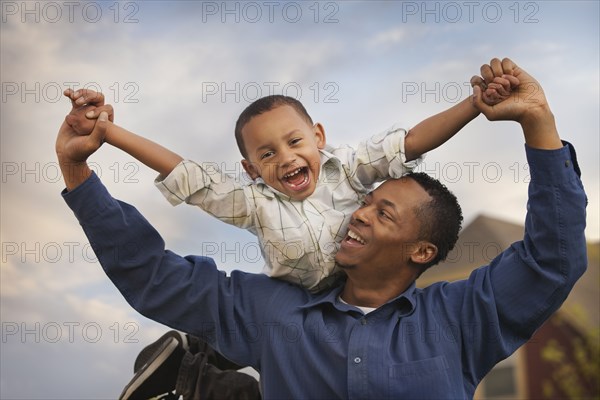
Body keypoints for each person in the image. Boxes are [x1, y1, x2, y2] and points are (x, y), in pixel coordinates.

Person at [57, 58, 587, 398]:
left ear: (422, 251)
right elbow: (154, 275)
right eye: (364, 201)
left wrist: (536, 120)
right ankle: (205, 378)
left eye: (383, 213)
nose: (357, 211)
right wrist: (79, 172)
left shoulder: (458, 320)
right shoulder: (272, 308)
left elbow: (551, 261)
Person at [63, 72, 513, 292]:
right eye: (266, 154)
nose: (286, 157)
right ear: (251, 169)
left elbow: (411, 142)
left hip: (366, 294)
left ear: (318, 137)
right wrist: (109, 132)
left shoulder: (351, 169)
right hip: (299, 307)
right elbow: (189, 175)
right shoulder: (254, 203)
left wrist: (474, 105)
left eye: (295, 141)